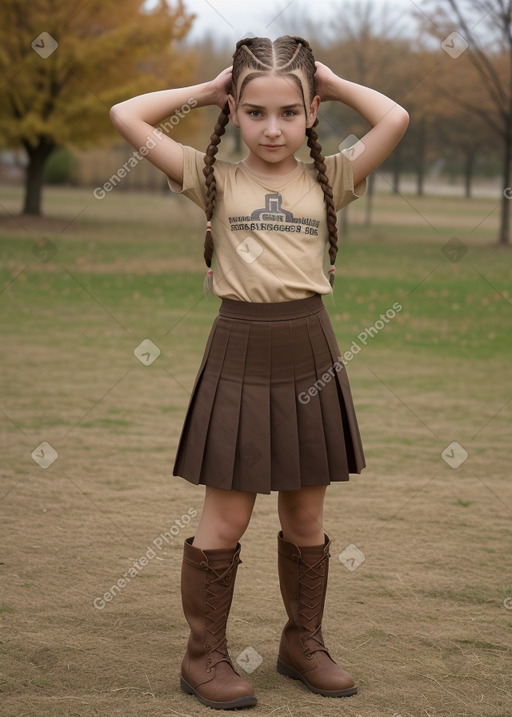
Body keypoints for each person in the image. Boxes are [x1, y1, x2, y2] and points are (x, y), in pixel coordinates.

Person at [110, 35, 409, 710]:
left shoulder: (330, 178)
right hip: (239, 349)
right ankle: (203, 657)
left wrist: (331, 78)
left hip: (311, 349)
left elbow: (395, 120)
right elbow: (126, 115)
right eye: (254, 111)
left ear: (311, 112)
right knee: (227, 517)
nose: (271, 128)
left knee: (306, 515)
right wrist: (203, 90)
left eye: (288, 111)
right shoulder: (210, 176)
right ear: (234, 112)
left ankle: (303, 642)